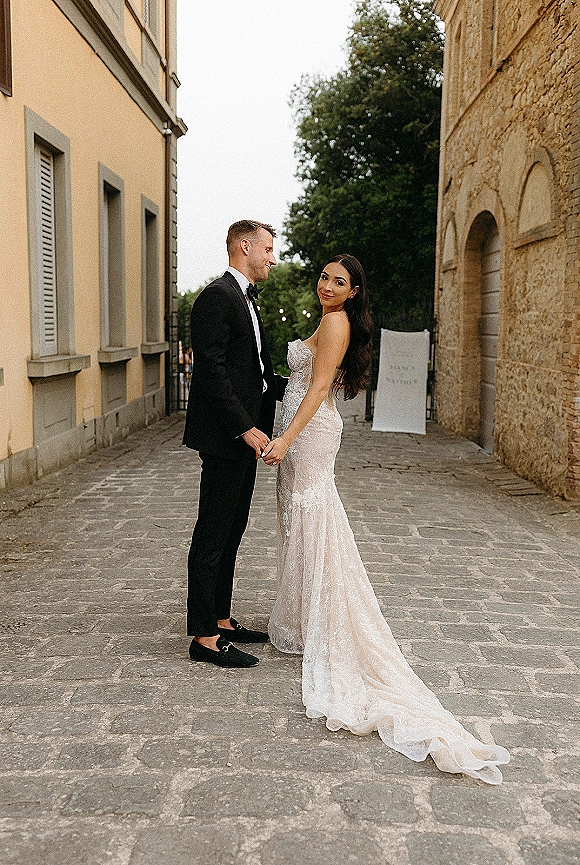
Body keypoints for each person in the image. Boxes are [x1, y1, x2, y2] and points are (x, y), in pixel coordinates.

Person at [262, 254, 510, 784]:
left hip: (308, 434)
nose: (328, 286)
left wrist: (285, 437)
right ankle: (308, 615)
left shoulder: (335, 323)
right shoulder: (330, 317)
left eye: (339, 281)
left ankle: (328, 621)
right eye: (325, 277)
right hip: (302, 433)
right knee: (302, 521)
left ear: (353, 292)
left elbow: (319, 388)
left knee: (313, 519)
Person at [183, 220, 287, 669]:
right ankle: (204, 638)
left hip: (245, 438)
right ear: (244, 247)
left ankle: (221, 619)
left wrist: (299, 386)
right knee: (212, 533)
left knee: (233, 530)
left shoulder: (245, 301)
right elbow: (212, 373)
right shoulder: (217, 297)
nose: (272, 257)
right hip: (228, 437)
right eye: (267, 249)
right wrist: (245, 428)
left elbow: (254, 373)